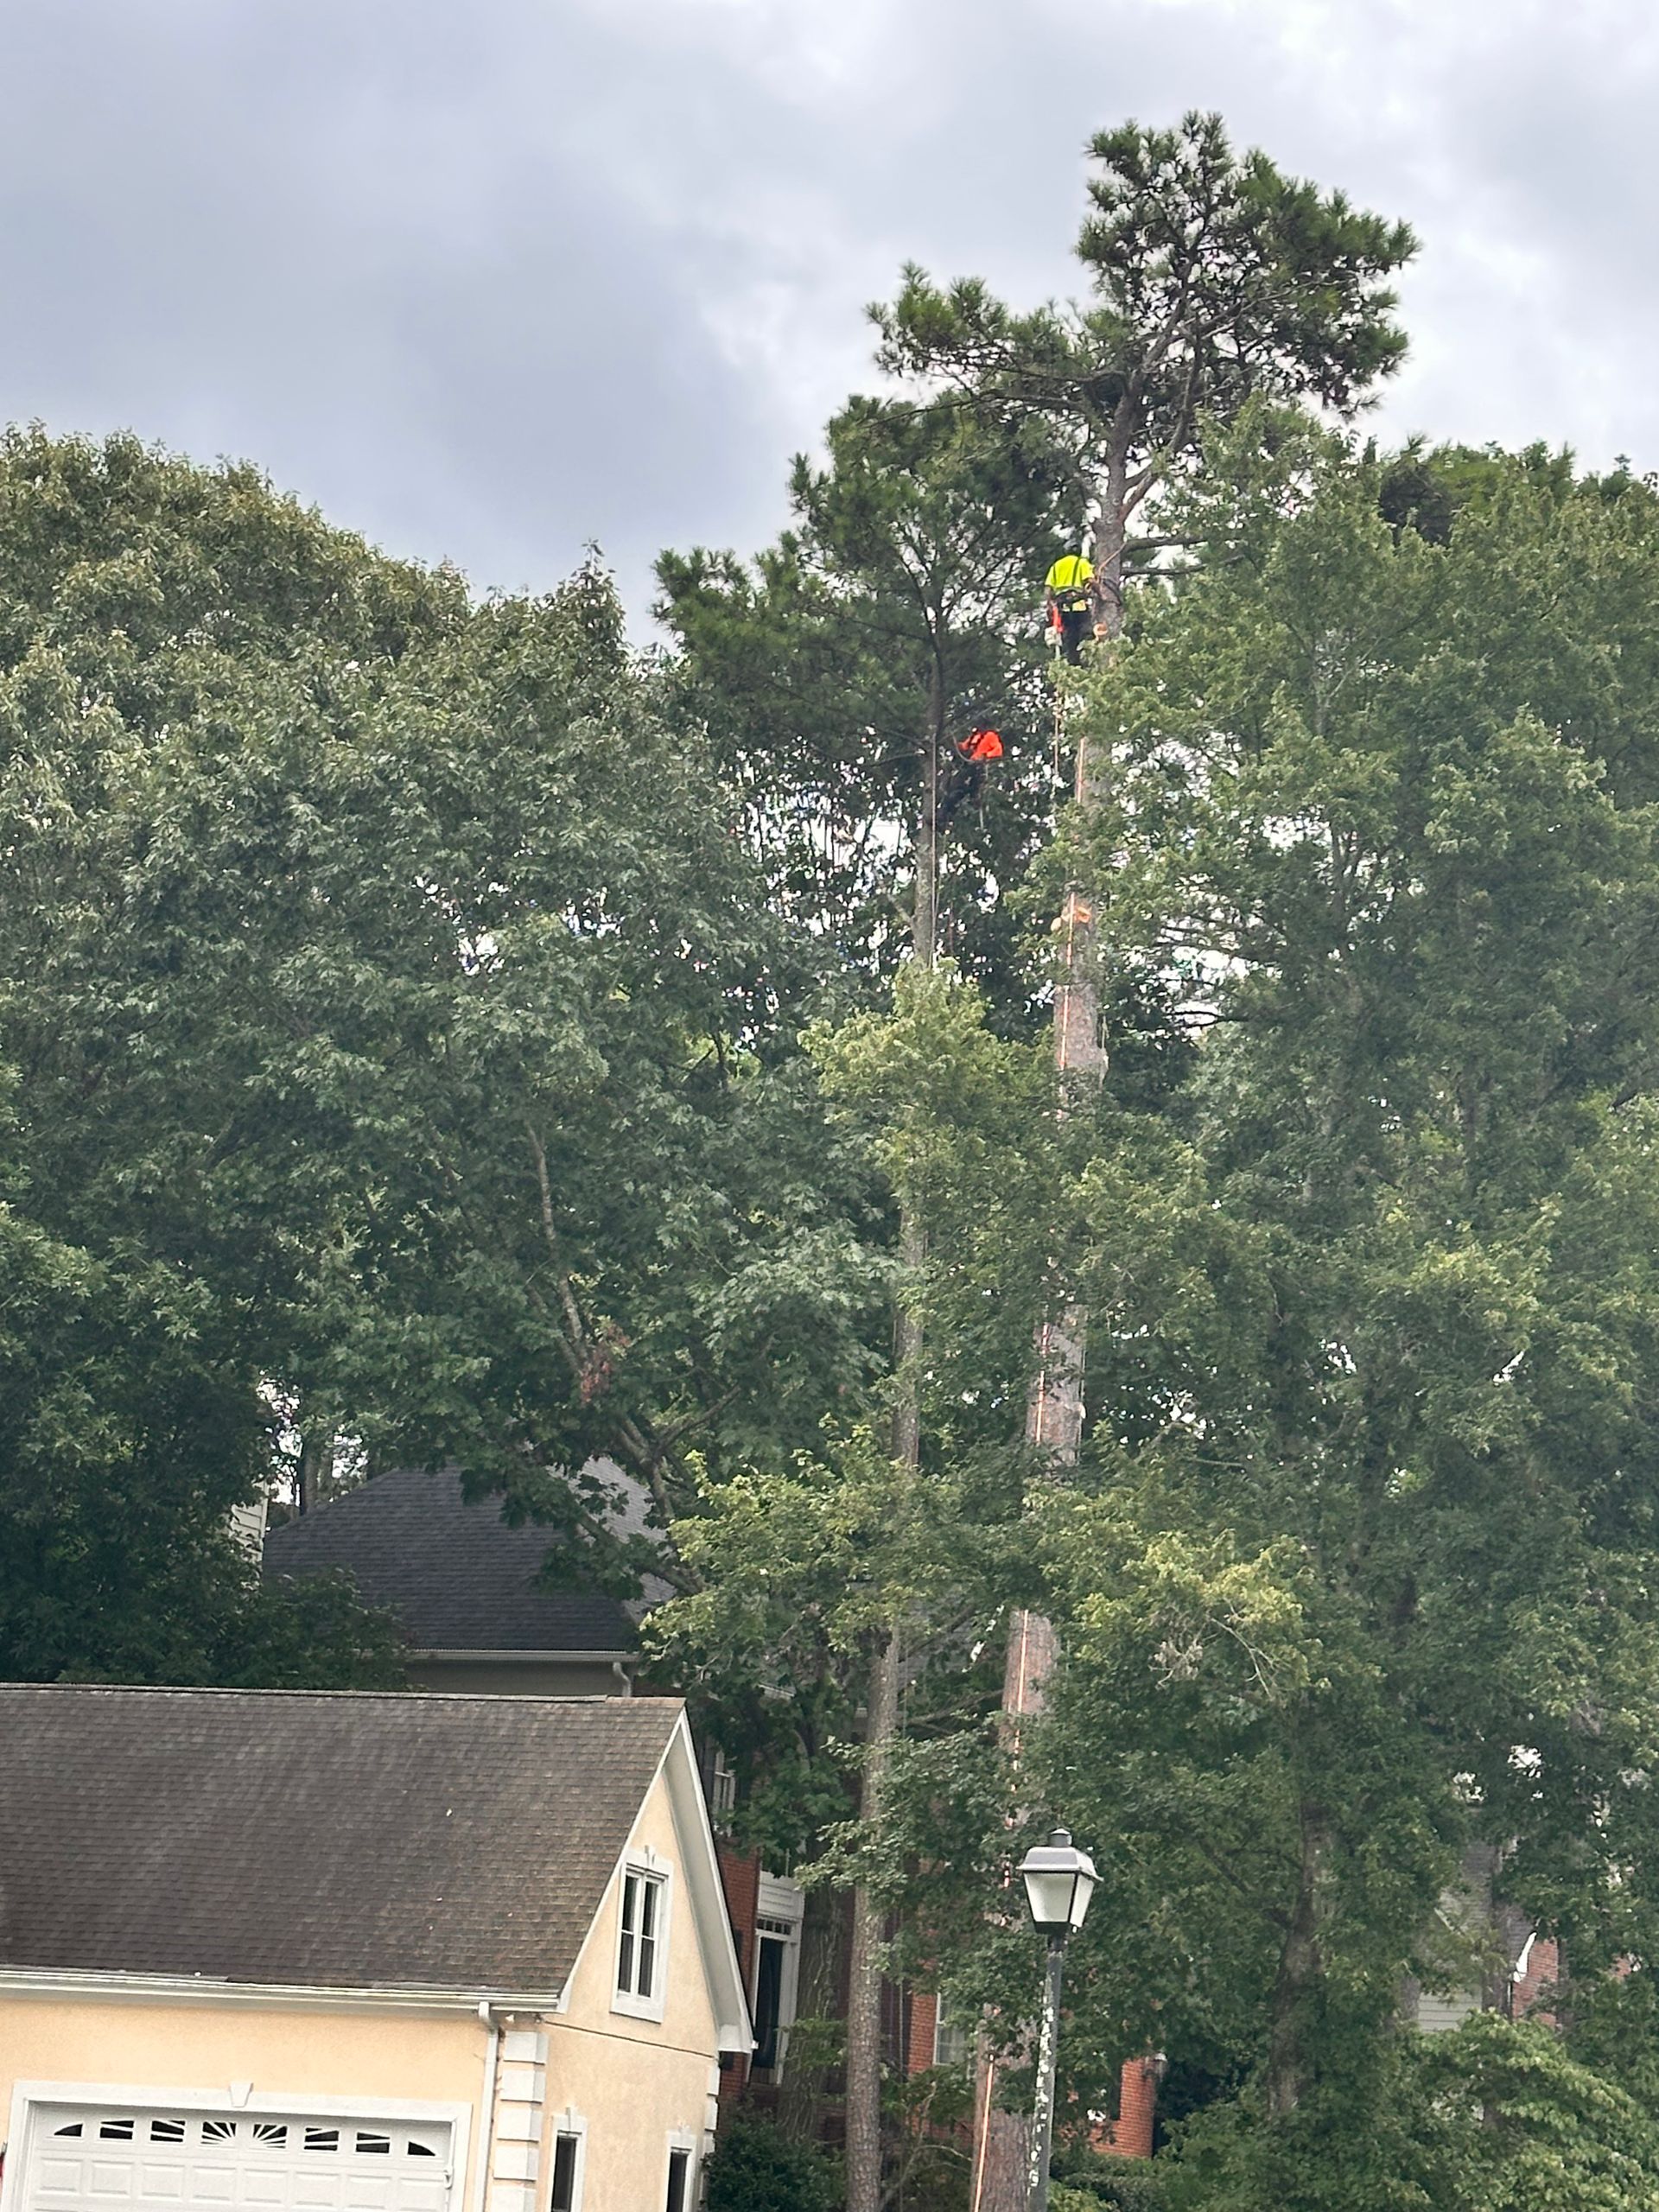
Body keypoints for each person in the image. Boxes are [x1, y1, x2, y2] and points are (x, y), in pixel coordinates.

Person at [938, 723, 1004, 831]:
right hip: (970, 765)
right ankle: (943, 817)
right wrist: (953, 743)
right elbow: (964, 746)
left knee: (962, 789)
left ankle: (972, 798)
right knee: (954, 790)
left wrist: (986, 756)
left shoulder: (990, 735)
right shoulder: (975, 736)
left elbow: (998, 750)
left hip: (979, 767)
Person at [1045, 551, 1095, 664]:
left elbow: (1048, 589)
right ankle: (1086, 649)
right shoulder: (1081, 562)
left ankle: (1073, 662)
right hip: (1078, 603)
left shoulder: (1056, 566)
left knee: (1070, 634)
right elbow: (1090, 580)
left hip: (1063, 606)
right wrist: (1100, 593)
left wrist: (1049, 605)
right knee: (1085, 626)